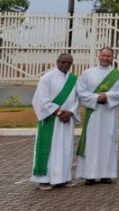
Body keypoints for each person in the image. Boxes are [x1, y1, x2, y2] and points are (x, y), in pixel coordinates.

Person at [75, 47, 119, 184]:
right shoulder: (88, 73)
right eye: (103, 55)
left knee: (108, 142)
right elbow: (80, 91)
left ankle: (106, 174)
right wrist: (96, 98)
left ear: (113, 58)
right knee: (91, 142)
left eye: (108, 56)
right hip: (93, 113)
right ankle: (90, 175)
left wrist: (107, 96)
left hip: (110, 114)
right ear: (98, 56)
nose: (105, 58)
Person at [31, 53, 79, 190]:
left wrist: (71, 112)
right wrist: (58, 112)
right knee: (49, 149)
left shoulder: (74, 79)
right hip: (51, 119)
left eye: (69, 63)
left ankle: (63, 178)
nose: (66, 65)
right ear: (57, 61)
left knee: (65, 149)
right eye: (63, 62)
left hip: (67, 120)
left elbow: (77, 99)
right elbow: (42, 98)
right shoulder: (47, 78)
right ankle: (44, 179)